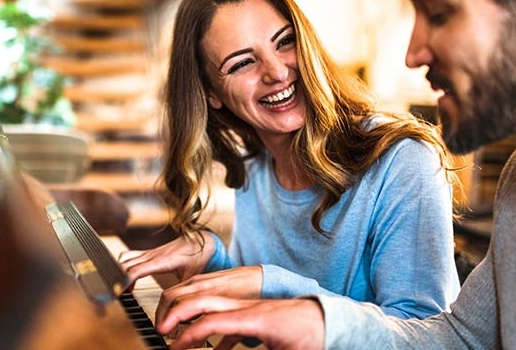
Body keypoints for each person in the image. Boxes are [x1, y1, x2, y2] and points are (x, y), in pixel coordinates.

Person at [153, 0, 516, 349]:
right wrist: (216, 262)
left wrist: (274, 286)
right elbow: (464, 339)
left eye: (285, 41)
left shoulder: (403, 160)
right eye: (242, 63)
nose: (277, 72)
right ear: (210, 93)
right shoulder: (255, 166)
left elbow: (428, 330)